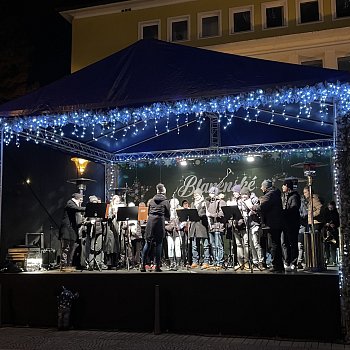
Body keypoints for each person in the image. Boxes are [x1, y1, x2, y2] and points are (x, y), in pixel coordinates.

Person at [254, 179, 284, 273]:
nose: (261, 188)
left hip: (272, 223)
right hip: (276, 223)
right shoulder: (275, 193)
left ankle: (276, 266)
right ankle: (279, 266)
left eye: (262, 186)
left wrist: (254, 207)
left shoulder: (270, 195)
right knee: (276, 244)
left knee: (274, 245)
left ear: (266, 187)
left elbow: (262, 207)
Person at [140, 183, 170, 272]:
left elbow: (148, 212)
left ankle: (142, 265)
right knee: (159, 244)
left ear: (157, 190)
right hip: (159, 223)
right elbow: (168, 214)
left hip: (150, 223)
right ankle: (157, 266)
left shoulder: (152, 201)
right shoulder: (166, 201)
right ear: (163, 190)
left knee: (147, 243)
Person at [59, 193, 86, 270]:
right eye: (80, 200)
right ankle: (63, 265)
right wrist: (88, 208)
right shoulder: (70, 203)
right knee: (66, 248)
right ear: (77, 198)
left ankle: (68, 265)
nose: (81, 202)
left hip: (72, 231)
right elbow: (77, 209)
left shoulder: (74, 205)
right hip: (66, 230)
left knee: (71, 249)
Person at [281, 179, 301, 271]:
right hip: (285, 223)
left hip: (292, 223)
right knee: (284, 242)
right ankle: (287, 261)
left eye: (283, 185)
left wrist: (283, 212)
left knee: (292, 243)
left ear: (287, 186)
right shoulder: (284, 196)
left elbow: (294, 209)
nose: (282, 187)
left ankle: (294, 262)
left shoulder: (294, 196)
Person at [206, 186, 226, 269]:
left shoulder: (221, 202)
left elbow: (222, 213)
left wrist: (211, 215)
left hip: (218, 226)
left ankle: (220, 262)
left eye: (211, 193)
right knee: (213, 245)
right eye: (209, 193)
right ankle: (215, 261)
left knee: (218, 245)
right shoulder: (210, 202)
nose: (210, 195)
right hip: (211, 227)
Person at [165, 198, 182, 270]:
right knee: (170, 247)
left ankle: (178, 263)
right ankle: (171, 262)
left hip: (177, 232)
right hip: (170, 232)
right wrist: (169, 226)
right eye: (172, 203)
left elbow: (183, 221)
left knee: (177, 247)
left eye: (175, 203)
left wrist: (180, 226)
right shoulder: (168, 212)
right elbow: (164, 221)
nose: (173, 205)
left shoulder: (179, 211)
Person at [322, 201, 340, 266]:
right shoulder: (325, 212)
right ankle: (327, 258)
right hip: (327, 231)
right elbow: (323, 220)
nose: (330, 208)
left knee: (333, 246)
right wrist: (326, 224)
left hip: (333, 231)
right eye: (330, 207)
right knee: (327, 246)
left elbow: (338, 222)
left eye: (331, 207)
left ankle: (333, 260)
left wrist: (334, 225)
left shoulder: (336, 213)